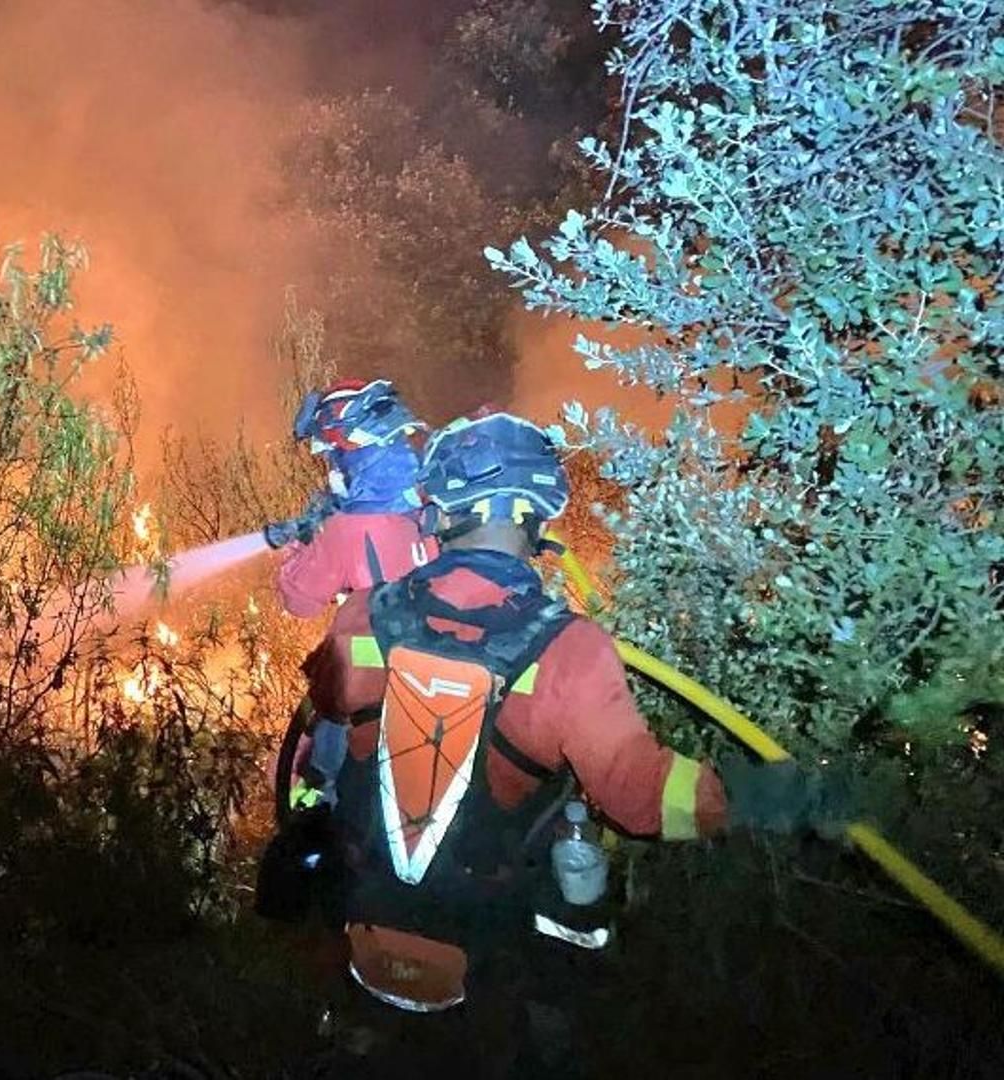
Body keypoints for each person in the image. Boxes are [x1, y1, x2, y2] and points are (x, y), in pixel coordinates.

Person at [295, 412, 826, 1073]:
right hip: (494, 947)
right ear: (538, 516)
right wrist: (770, 797)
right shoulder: (571, 648)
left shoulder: (363, 613)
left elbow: (321, 725)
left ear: (438, 512)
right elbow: (641, 799)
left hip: (363, 918)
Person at [265, 379, 438, 812]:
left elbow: (299, 601)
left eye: (330, 454)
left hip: (368, 710)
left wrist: (302, 544)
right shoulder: (433, 505)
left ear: (349, 450)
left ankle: (323, 818)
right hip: (443, 694)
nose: (330, 467)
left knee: (309, 780)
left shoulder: (346, 528)